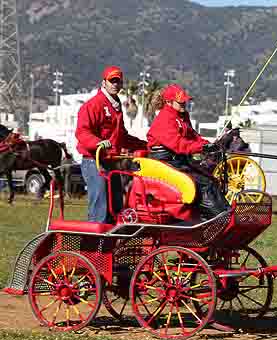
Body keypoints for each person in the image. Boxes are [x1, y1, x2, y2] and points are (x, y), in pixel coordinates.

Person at [75, 66, 147, 223]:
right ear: (104, 82)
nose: (115, 84)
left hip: (111, 163)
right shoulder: (93, 105)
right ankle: (93, 244)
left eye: (118, 81)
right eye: (112, 81)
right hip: (94, 162)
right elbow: (82, 132)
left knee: (116, 207)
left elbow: (121, 137)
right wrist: (98, 142)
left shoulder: (116, 105)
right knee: (100, 208)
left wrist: (146, 145)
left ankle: (111, 245)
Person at [146, 83, 228, 220]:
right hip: (165, 162)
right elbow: (178, 144)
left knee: (210, 179)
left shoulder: (183, 116)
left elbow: (193, 136)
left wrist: (209, 145)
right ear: (168, 102)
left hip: (179, 160)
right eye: (180, 102)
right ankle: (220, 218)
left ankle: (222, 212)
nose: (184, 103)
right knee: (202, 183)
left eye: (185, 101)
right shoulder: (164, 119)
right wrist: (200, 148)